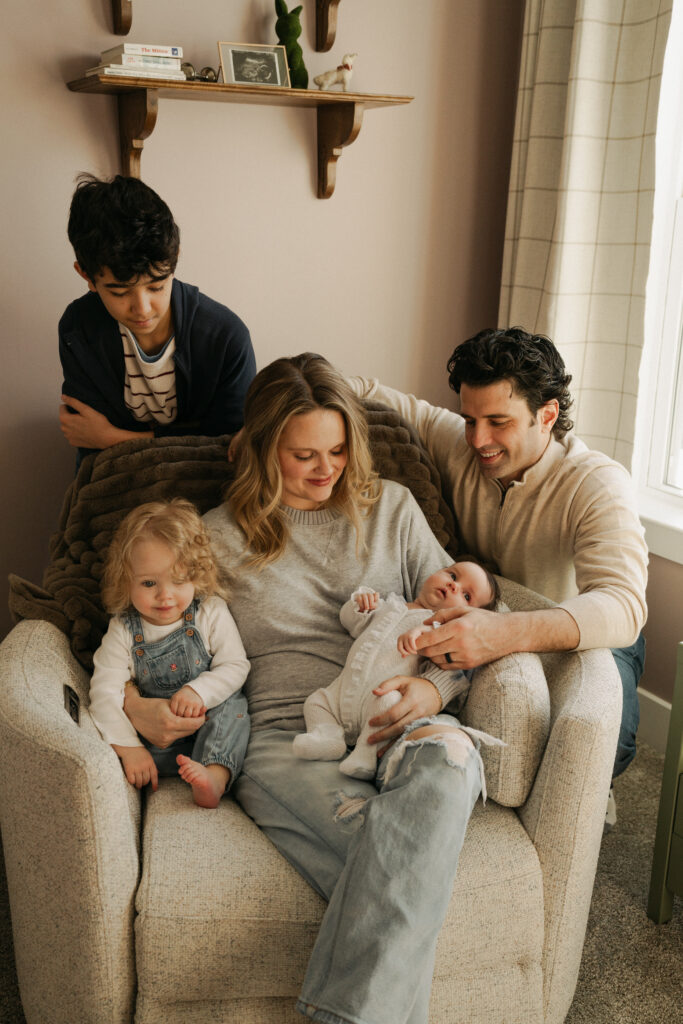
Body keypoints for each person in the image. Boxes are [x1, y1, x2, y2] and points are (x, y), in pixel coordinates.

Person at [121, 352, 487, 1024]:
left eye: (338, 451)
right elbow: (139, 627)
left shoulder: (393, 509)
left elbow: (466, 619)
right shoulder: (215, 537)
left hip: (400, 714)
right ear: (263, 450)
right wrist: (130, 702)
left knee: (451, 764)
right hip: (289, 736)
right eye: (304, 455)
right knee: (401, 858)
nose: (327, 470)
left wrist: (434, 694)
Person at [348, 326, 648, 817]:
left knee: (603, 745)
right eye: (470, 419)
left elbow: (624, 605)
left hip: (583, 630)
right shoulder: (458, 442)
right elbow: (362, 390)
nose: (478, 439)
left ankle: (596, 793)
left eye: (497, 422)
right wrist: (264, 429)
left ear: (547, 415)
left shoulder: (597, 482)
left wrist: (504, 633)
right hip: (486, 614)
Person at [58, 174, 256, 462]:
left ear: (174, 261)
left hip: (207, 480)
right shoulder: (78, 329)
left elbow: (232, 443)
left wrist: (112, 437)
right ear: (86, 275)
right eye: (120, 292)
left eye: (156, 286)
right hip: (114, 477)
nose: (142, 309)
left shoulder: (225, 337)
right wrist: (189, 434)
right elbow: (87, 441)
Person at [90, 498, 250, 808]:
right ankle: (171, 764)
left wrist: (198, 691)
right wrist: (129, 748)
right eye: (149, 583)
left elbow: (235, 665)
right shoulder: (123, 629)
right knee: (115, 710)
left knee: (233, 707)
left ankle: (214, 778)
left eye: (178, 580)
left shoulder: (210, 611)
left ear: (197, 575)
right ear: (125, 580)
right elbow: (104, 692)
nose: (165, 596)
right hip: (155, 747)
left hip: (209, 731)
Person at [293, 557, 500, 781]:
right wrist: (360, 606)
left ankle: (365, 754)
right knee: (316, 701)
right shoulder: (390, 605)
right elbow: (350, 622)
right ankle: (327, 738)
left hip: (380, 699)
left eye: (466, 596)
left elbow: (451, 671)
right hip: (342, 692)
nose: (453, 585)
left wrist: (426, 633)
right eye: (452, 575)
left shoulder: (440, 631)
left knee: (389, 701)